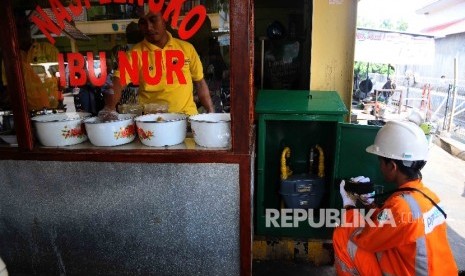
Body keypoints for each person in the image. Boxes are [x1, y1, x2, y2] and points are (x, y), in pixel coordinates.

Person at [333, 120, 458, 275]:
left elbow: (366, 239)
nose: (380, 167)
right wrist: (369, 204)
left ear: (392, 166)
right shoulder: (429, 198)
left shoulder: (401, 206)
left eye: (380, 162)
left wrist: (349, 205)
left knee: (344, 235)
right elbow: (390, 226)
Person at [99, 8, 214, 120]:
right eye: (143, 22)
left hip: (186, 119)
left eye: (153, 20)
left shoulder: (186, 48)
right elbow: (118, 82)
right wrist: (109, 107)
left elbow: (199, 83)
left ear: (165, 20)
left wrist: (211, 111)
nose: (148, 27)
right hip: (153, 122)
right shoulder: (135, 53)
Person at [1, 11, 55, 111]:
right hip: (24, 112)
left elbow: (60, 81)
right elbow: (8, 89)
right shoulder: (9, 57)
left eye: (25, 26)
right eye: (18, 27)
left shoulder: (48, 50)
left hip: (50, 110)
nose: (23, 30)